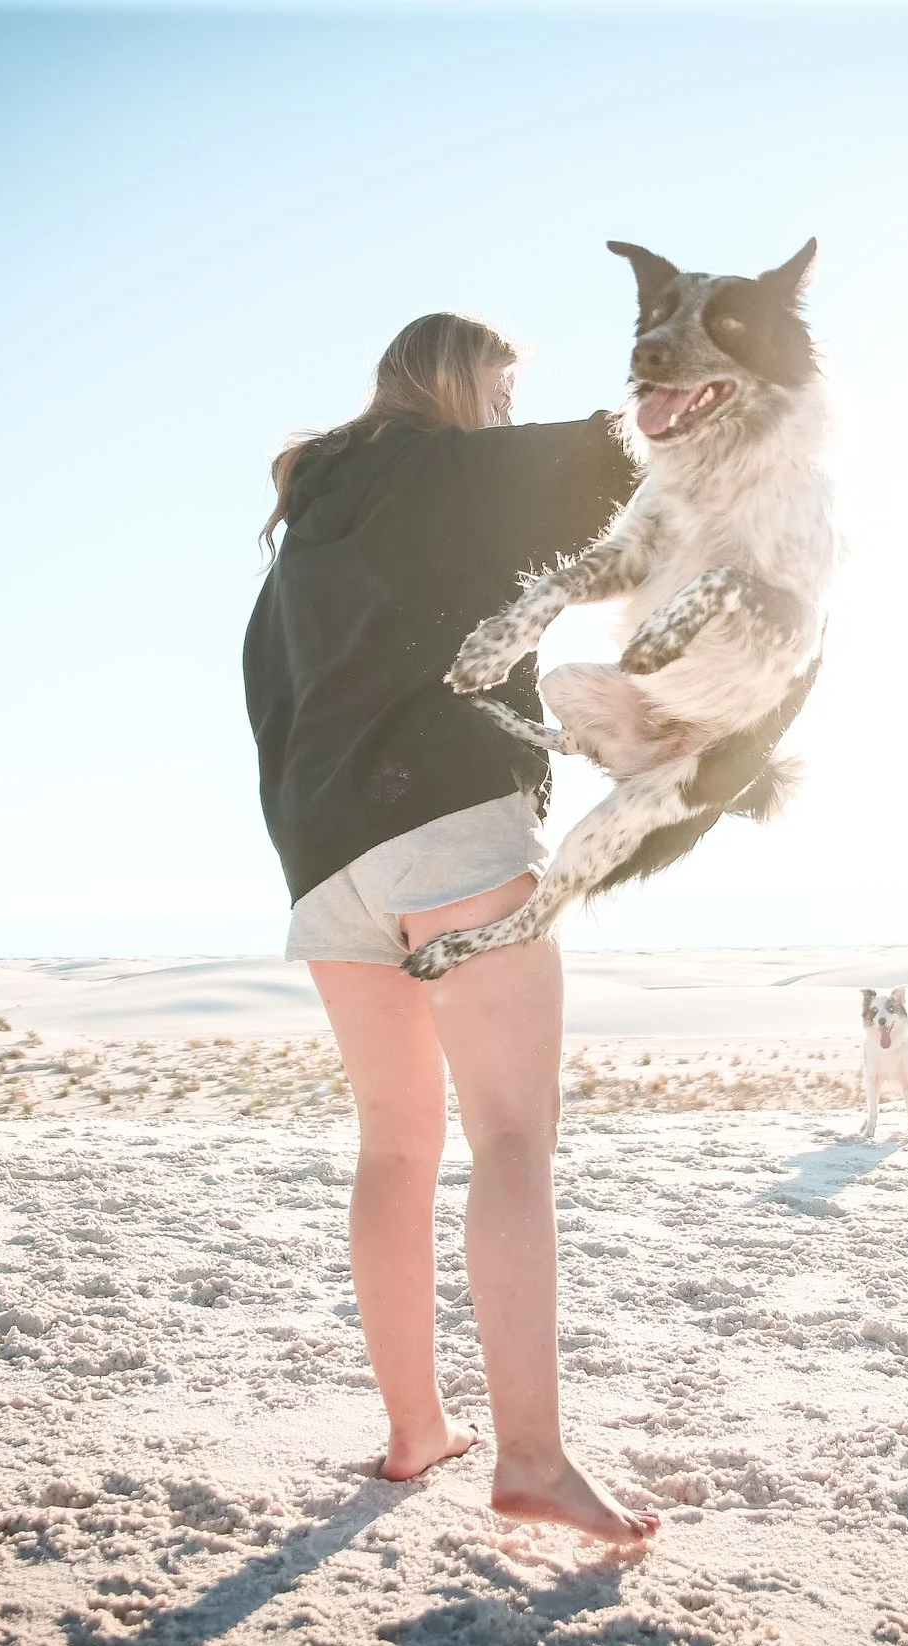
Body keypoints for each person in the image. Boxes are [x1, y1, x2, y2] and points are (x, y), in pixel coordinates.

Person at [242, 313, 658, 1543]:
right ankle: (530, 1456)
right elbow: (620, 456)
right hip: (449, 826)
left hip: (324, 868)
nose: (507, 405)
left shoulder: (300, 542)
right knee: (514, 1135)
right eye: (504, 382)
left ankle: (416, 1429)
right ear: (462, 377)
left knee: (393, 1150)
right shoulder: (447, 466)